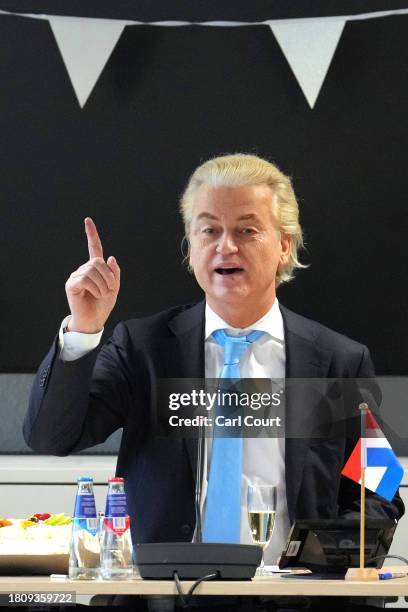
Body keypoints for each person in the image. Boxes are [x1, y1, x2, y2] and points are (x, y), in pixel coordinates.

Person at [24, 154, 403, 607]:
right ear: (190, 246)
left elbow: (377, 492)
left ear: (283, 245)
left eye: (246, 230)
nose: (226, 246)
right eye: (209, 230)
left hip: (292, 600)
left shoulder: (339, 360)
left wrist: (327, 563)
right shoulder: (144, 347)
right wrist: (83, 330)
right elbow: (52, 435)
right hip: (164, 599)